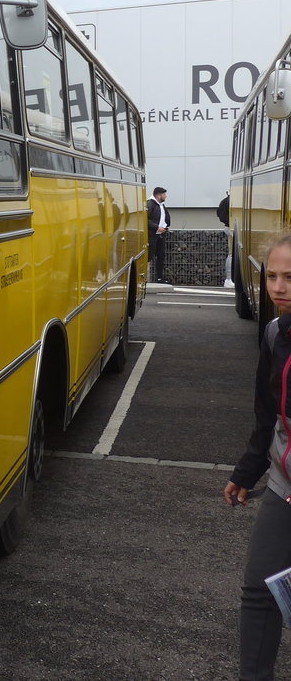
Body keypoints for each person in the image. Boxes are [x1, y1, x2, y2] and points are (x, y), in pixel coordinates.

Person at [224, 234, 291, 680]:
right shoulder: (275, 332)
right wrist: (249, 471)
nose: (278, 287)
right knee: (260, 590)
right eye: (271, 275)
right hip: (284, 487)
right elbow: (267, 412)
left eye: (290, 277)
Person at [147, 187, 173, 284]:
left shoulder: (161, 205)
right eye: (164, 194)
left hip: (161, 234)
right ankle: (146, 276)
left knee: (161, 256)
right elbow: (145, 219)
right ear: (158, 195)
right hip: (152, 234)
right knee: (149, 255)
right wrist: (156, 227)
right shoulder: (150, 204)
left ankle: (160, 277)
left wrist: (165, 227)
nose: (166, 196)